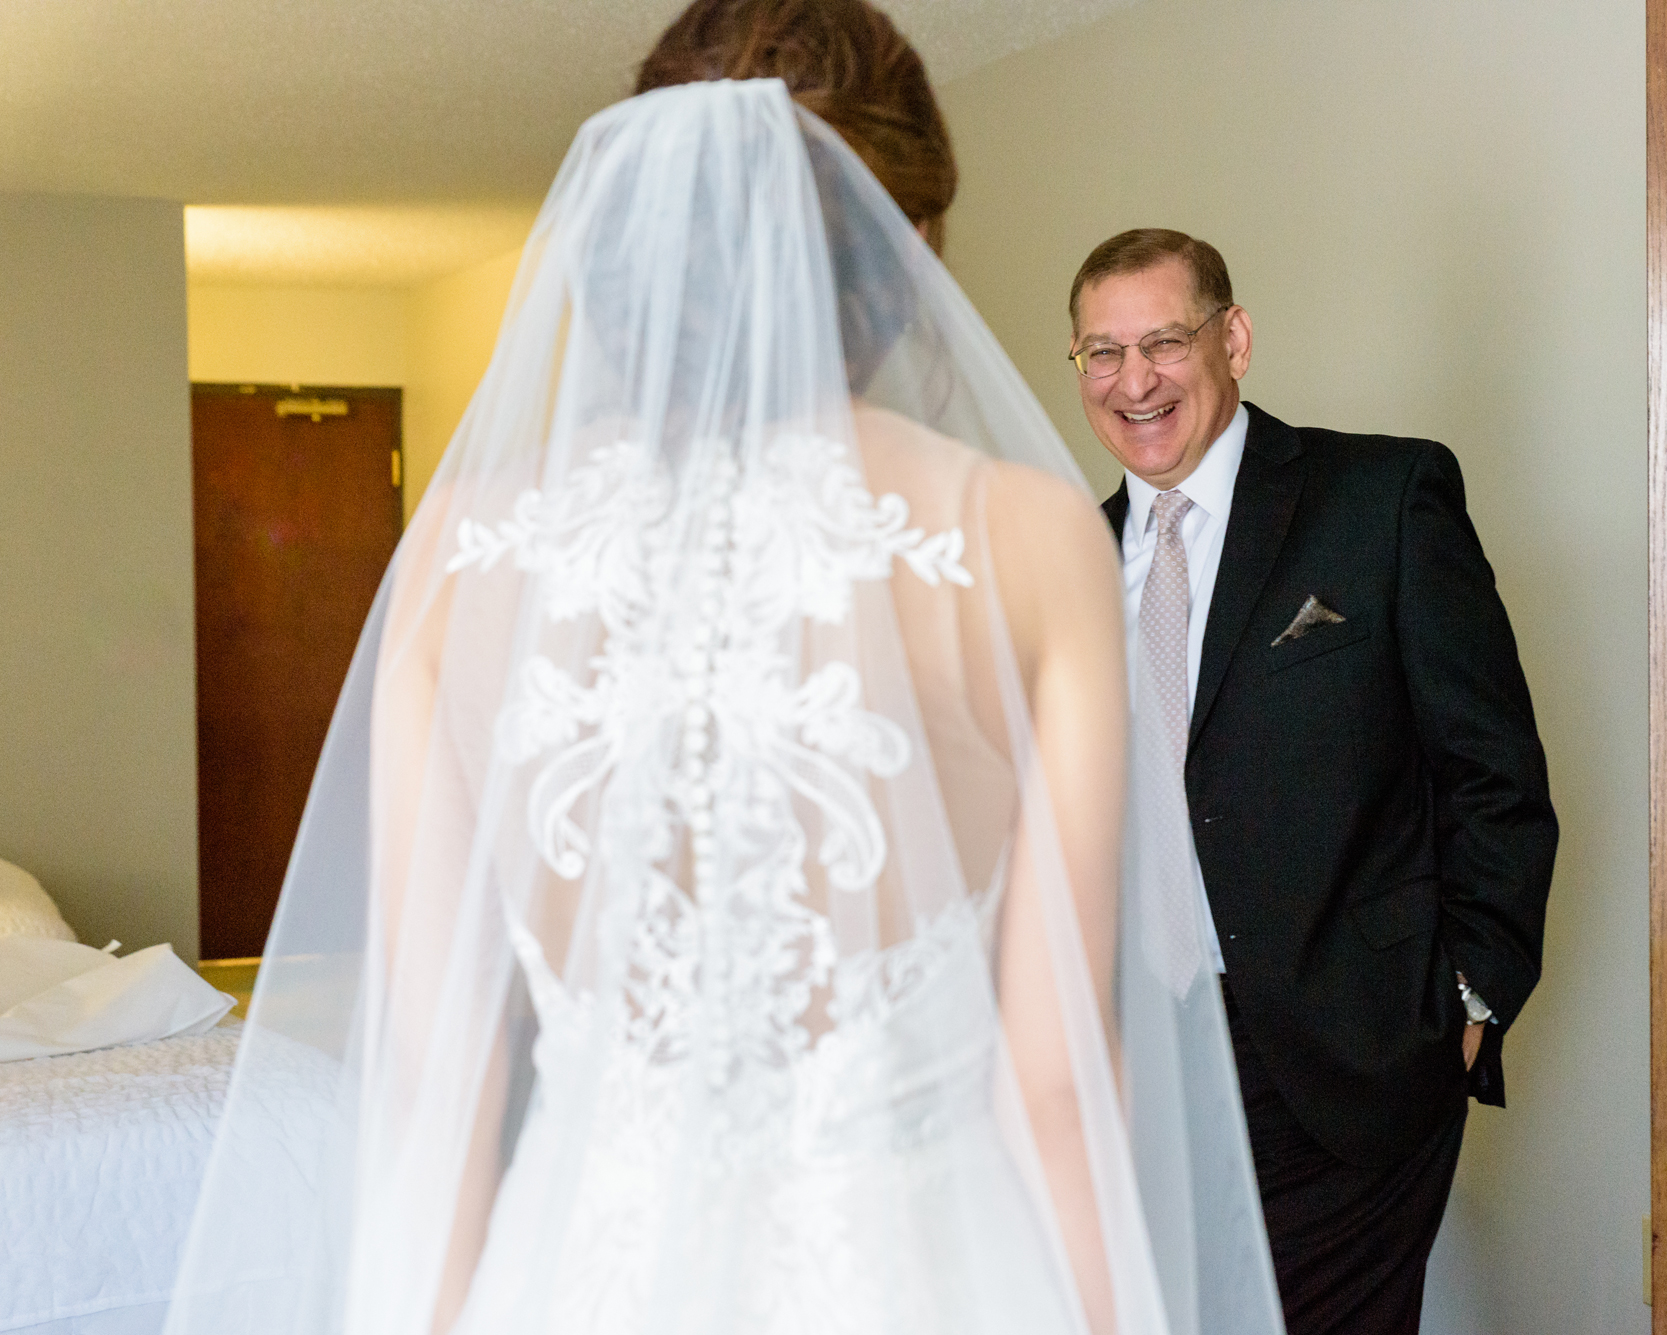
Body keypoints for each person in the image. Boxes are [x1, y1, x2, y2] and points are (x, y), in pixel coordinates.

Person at [166, 7, 1283, 1335]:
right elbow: (1054, 1078)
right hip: (922, 1270)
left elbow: (434, 1076)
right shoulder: (1025, 536)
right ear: (907, 245)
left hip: (576, 1273)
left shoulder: (463, 550)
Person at [1068, 228, 1559, 1335]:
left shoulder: (1380, 497)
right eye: (1100, 352)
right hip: (1144, 1074)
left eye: (1163, 342)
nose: (1132, 381)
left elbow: (1494, 775)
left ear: (1231, 339)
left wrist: (1469, 1003)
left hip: (1352, 1062)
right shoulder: (1068, 558)